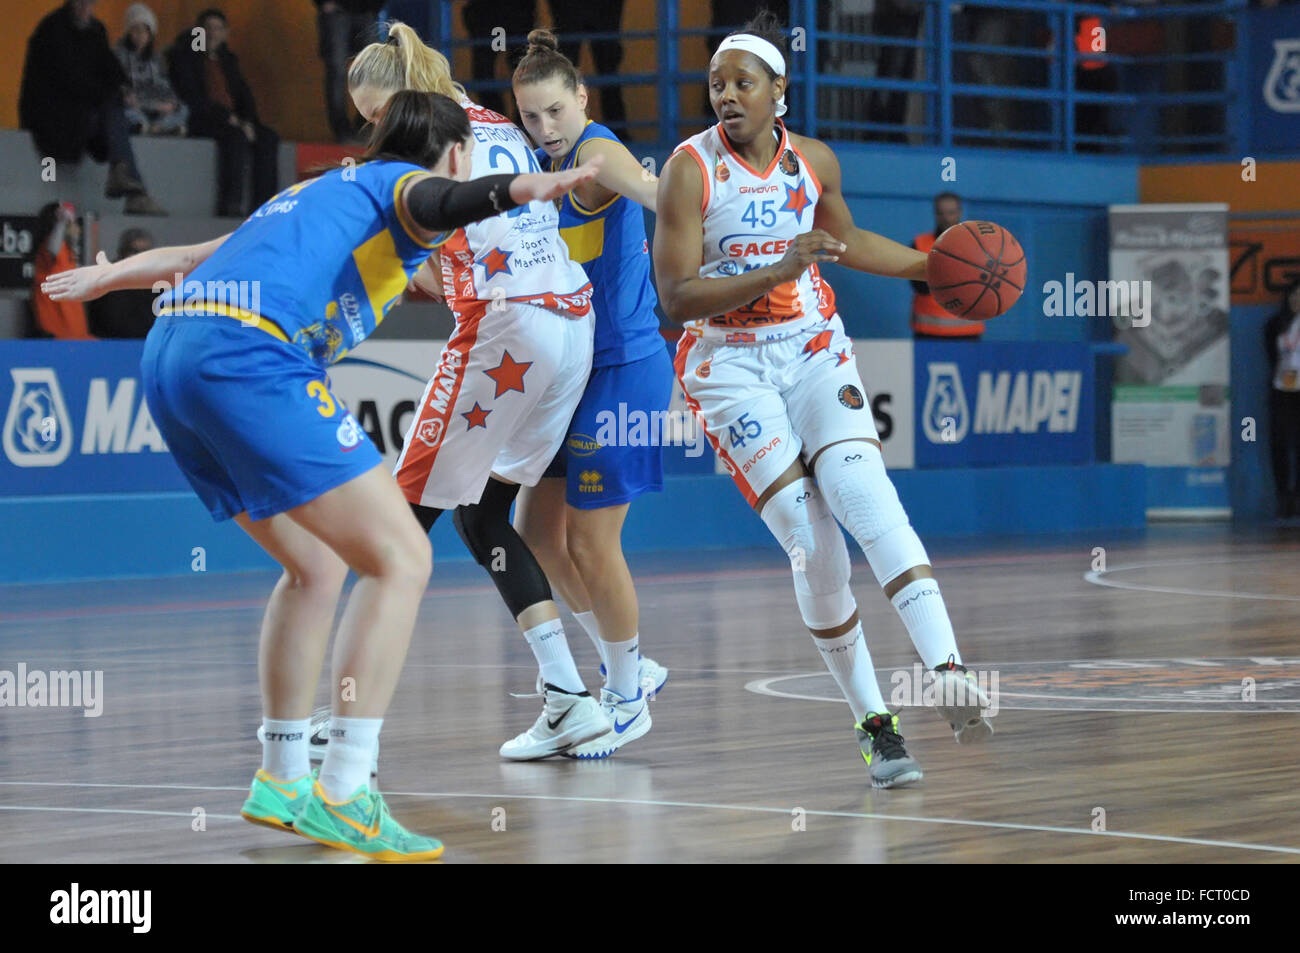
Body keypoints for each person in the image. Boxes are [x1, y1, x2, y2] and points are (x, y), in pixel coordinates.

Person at [43, 89, 602, 859]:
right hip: (247, 356)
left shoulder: (314, 192)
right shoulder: (405, 186)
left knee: (312, 564)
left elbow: (192, 258)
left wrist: (110, 278)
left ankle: (280, 775)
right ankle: (344, 789)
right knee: (401, 556)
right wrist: (519, 188)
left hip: (170, 353)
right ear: (455, 152)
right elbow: (440, 195)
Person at [653, 12, 992, 789]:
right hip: (727, 366)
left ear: (781, 90)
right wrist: (773, 273)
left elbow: (845, 241)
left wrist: (934, 270)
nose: (726, 96)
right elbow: (675, 296)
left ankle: (948, 667)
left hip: (811, 348)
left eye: (743, 83)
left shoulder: (813, 163)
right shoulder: (687, 170)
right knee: (816, 544)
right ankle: (876, 722)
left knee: (863, 493)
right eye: (716, 84)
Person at [347, 23, 613, 761]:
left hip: (508, 329)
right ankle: (568, 696)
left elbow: (410, 263)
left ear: (399, 98)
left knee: (396, 533)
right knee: (484, 513)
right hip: (570, 322)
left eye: (375, 114)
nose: (376, 130)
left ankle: (343, 731)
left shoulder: (416, 144)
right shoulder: (495, 121)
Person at [510, 29, 673, 758]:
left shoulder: (597, 151)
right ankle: (626, 660)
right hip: (574, 374)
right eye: (531, 118)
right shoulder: (542, 168)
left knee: (591, 537)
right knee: (536, 530)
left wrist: (686, 200)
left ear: (582, 97)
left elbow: (654, 191)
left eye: (554, 111)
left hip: (627, 369)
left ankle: (628, 697)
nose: (544, 129)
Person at [19, 0, 167, 216]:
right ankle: (131, 185)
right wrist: (114, 92)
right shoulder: (52, 30)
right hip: (53, 117)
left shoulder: (94, 30)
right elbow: (67, 79)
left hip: (82, 112)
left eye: (90, 4)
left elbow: (107, 66)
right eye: (82, 3)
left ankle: (126, 179)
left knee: (113, 106)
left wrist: (123, 88)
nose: (86, 9)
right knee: (112, 108)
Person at [169, 8, 280, 217]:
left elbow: (244, 95)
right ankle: (231, 204)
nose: (213, 34)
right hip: (202, 119)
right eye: (208, 29)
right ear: (198, 31)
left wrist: (248, 121)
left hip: (233, 120)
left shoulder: (228, 59)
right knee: (235, 138)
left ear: (225, 33)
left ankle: (265, 206)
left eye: (218, 29)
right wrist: (230, 119)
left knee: (268, 138)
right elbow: (192, 96)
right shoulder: (185, 56)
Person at [546, 2, 629, 139]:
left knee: (567, 73)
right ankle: (618, 134)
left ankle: (563, 133)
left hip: (576, 11)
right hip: (595, 11)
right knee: (606, 70)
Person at [911, 192, 984, 339]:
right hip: (928, 331)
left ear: (959, 212)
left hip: (968, 332)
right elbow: (919, 287)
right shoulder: (920, 244)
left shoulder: (976, 245)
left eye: (951, 213)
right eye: (941, 213)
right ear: (935, 214)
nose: (946, 218)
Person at [313, 0, 385, 142]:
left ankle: (362, 125)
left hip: (366, 11)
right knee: (337, 71)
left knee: (372, 71)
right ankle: (343, 130)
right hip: (338, 11)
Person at [115, 3, 188, 137]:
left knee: (183, 109)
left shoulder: (156, 59)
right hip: (134, 104)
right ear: (128, 32)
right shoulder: (118, 54)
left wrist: (170, 103)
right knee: (124, 110)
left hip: (155, 105)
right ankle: (147, 127)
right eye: (135, 30)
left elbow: (164, 85)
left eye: (144, 31)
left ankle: (159, 127)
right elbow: (119, 85)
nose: (140, 35)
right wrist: (132, 99)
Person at [461, 0, 537, 117]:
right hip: (504, 15)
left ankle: (504, 121)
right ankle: (509, 122)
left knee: (489, 71)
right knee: (489, 71)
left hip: (502, 15)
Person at [31, 202, 94, 339]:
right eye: (71, 222)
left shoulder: (68, 250)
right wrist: (61, 222)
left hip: (76, 330)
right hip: (56, 330)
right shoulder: (49, 248)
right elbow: (53, 249)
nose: (76, 227)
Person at [1266, 279, 1300, 518]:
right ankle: (1283, 495)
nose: (1297, 300)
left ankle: (1298, 494)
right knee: (1279, 444)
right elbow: (1270, 355)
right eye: (1294, 295)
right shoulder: (1275, 324)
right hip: (1281, 390)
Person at [87, 228, 158, 338]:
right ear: (123, 252)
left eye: (146, 252)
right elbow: (94, 321)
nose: (140, 257)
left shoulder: (158, 283)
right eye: (135, 251)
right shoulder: (104, 279)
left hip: (147, 345)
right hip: (108, 346)